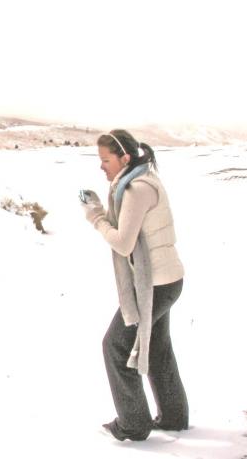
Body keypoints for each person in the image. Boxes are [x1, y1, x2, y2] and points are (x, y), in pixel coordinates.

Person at [81, 129, 189, 441]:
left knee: (115, 346)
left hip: (154, 285)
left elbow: (124, 243)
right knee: (157, 347)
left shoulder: (136, 189)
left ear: (124, 158)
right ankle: (173, 416)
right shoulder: (142, 179)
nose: (102, 166)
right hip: (165, 280)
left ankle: (134, 423)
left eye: (106, 160)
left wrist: (96, 216)